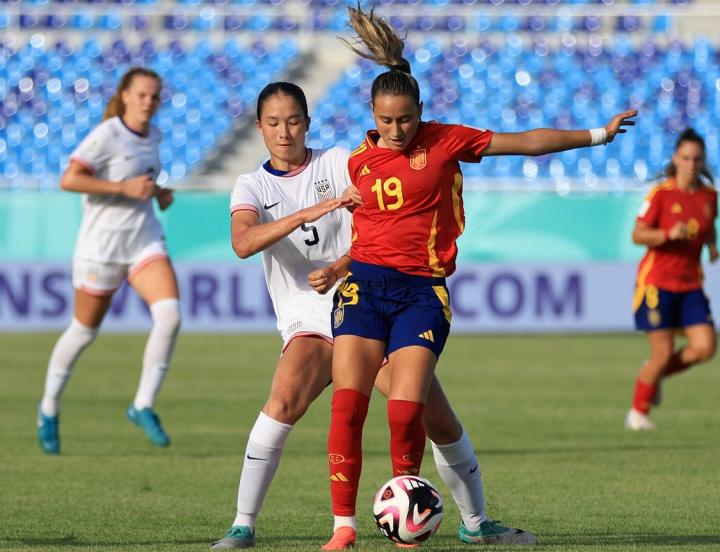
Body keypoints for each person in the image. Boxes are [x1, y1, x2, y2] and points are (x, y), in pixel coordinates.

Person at [322, 5, 638, 550]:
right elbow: (370, 233)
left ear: (421, 109)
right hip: (364, 289)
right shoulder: (357, 162)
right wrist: (338, 266)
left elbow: (528, 142)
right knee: (348, 405)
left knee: (407, 411)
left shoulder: (446, 141)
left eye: (405, 119)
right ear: (371, 113)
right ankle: (343, 529)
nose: (396, 130)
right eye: (385, 120)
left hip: (421, 293)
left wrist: (596, 135)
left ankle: (411, 527)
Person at [211, 82, 536, 549]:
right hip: (309, 319)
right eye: (274, 123)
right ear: (259, 127)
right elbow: (243, 243)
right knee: (282, 401)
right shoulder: (252, 185)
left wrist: (345, 264)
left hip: (365, 303)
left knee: (434, 418)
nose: (285, 132)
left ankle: (476, 522)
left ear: (308, 121)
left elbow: (389, 197)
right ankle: (244, 525)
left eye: (294, 120)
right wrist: (317, 208)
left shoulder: (340, 161)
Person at [37, 67, 181, 454]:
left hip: (143, 239)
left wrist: (158, 193)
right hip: (101, 247)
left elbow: (141, 180)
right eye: (141, 95)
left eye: (154, 96)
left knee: (170, 316)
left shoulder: (155, 134)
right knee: (84, 331)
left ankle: (142, 405)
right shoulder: (106, 135)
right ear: (124, 96)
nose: (148, 102)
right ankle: (49, 406)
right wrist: (124, 188)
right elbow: (69, 179)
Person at [625, 128, 719, 431]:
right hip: (657, 283)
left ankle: (656, 374)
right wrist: (667, 234)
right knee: (662, 353)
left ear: (702, 162)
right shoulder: (660, 195)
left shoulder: (709, 196)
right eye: (686, 158)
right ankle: (638, 413)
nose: (691, 164)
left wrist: (713, 246)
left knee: (705, 348)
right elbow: (638, 234)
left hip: (690, 282)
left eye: (696, 159)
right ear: (676, 159)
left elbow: (708, 226)